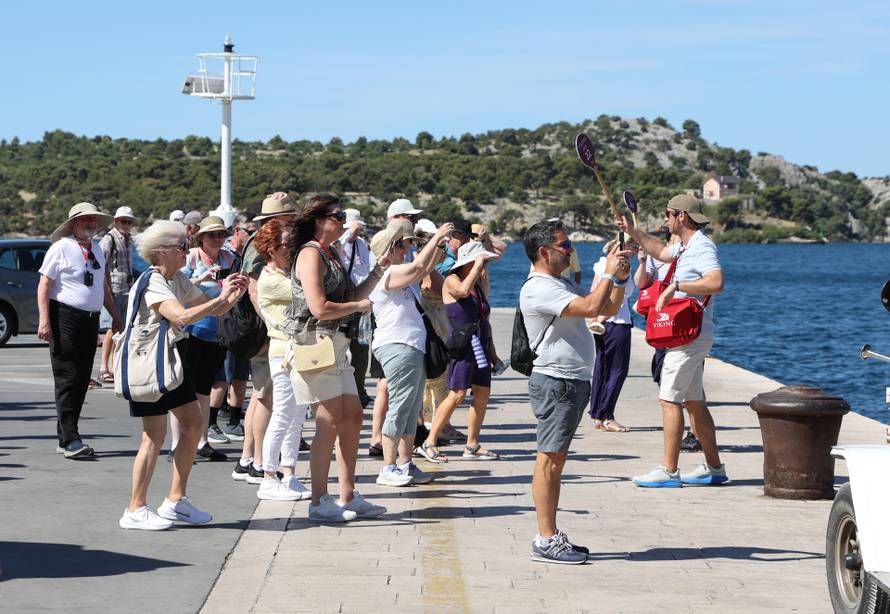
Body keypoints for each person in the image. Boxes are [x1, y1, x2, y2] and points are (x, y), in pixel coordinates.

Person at [119, 220, 247, 530]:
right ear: (161, 252)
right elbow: (182, 316)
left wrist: (231, 295)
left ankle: (176, 500)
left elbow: (210, 309)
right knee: (153, 436)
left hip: (167, 362)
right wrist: (219, 300)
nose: (186, 251)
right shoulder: (153, 281)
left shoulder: (175, 278)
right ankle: (135, 508)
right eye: (181, 247)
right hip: (150, 365)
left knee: (192, 425)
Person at [519, 220, 629, 564]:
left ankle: (549, 534)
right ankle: (546, 536)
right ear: (544, 251)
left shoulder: (558, 283)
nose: (570, 251)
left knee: (555, 459)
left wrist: (620, 278)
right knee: (549, 461)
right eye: (564, 246)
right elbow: (592, 307)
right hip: (557, 382)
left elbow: (608, 309)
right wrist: (608, 272)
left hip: (571, 381)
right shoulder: (539, 287)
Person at [284, 193, 386, 521]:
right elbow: (318, 307)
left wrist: (377, 273)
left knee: (353, 416)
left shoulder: (330, 252)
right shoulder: (310, 254)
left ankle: (348, 494)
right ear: (318, 220)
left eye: (343, 216)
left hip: (336, 342)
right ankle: (318, 500)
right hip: (314, 343)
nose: (342, 222)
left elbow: (351, 296)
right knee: (327, 421)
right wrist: (357, 307)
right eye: (336, 216)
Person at [619, 193, 728, 488]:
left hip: (690, 333)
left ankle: (669, 470)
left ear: (681, 216)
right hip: (689, 332)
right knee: (694, 402)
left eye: (668, 214)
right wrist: (634, 233)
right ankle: (714, 468)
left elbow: (716, 282)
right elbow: (661, 253)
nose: (665, 220)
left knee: (669, 399)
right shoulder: (683, 246)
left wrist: (678, 285)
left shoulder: (702, 247)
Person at [368, 220, 453, 487]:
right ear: (391, 249)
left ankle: (404, 463)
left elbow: (425, 267)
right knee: (401, 406)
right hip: (398, 345)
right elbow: (419, 267)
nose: (408, 248)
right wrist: (437, 236)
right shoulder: (388, 274)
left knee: (411, 406)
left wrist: (438, 244)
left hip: (411, 345)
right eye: (403, 244)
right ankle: (388, 466)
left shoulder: (401, 273)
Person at [37, 203, 123, 458]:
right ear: (74, 223)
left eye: (94, 220)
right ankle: (71, 438)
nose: (91, 224)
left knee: (82, 377)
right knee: (68, 377)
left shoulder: (96, 248)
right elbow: (44, 286)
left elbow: (103, 286)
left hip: (90, 319)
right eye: (85, 220)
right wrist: (44, 321)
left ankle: (66, 437)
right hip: (65, 316)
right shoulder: (61, 248)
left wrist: (116, 317)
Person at [231, 193, 297, 485]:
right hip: (266, 332)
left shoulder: (259, 243)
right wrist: (272, 323)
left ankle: (248, 458)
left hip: (264, 331)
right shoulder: (264, 246)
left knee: (261, 396)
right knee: (267, 397)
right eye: (288, 217)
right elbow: (255, 289)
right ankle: (258, 461)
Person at [419, 241, 499, 463]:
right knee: (457, 393)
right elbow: (462, 292)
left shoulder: (478, 285)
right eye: (479, 261)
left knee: (482, 393)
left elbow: (485, 320)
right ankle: (429, 441)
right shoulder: (452, 281)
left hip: (480, 345)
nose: (483, 267)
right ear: (468, 262)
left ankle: (472, 445)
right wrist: (478, 265)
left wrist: (493, 354)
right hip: (462, 346)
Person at [254, 218, 311, 501]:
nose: (290, 249)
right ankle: (268, 476)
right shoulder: (271, 280)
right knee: (282, 414)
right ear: (271, 248)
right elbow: (308, 294)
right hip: (282, 353)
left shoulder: (285, 274)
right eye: (285, 245)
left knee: (297, 415)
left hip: (298, 351)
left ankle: (289, 473)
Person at [174, 216, 239, 462]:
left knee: (203, 389)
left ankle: (201, 441)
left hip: (216, 329)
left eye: (221, 234)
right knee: (182, 389)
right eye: (212, 235)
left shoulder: (229, 259)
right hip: (190, 330)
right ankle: (177, 443)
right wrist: (200, 280)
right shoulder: (190, 257)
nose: (217, 239)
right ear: (201, 237)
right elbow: (176, 288)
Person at [635, 231, 702, 452]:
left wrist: (678, 286)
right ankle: (710, 461)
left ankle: (692, 436)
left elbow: (711, 283)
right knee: (662, 376)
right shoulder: (658, 256)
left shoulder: (693, 253)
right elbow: (640, 284)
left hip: (686, 328)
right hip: (664, 327)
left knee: (682, 391)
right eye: (673, 239)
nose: (677, 242)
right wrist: (643, 262)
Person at [588, 237, 637, 432]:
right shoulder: (621, 266)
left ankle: (598, 414)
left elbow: (593, 292)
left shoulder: (602, 264)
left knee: (603, 367)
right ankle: (607, 415)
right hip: (616, 322)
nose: (635, 250)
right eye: (634, 246)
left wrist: (594, 318)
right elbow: (614, 297)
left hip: (602, 323)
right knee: (617, 370)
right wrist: (602, 318)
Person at [337, 208, 373, 408]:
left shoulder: (362, 245)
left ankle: (358, 391)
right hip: (342, 302)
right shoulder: (339, 243)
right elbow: (336, 248)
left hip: (360, 302)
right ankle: (342, 392)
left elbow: (366, 269)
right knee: (340, 350)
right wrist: (348, 233)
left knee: (360, 351)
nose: (358, 233)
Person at [98, 206, 138, 383]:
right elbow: (101, 266)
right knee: (112, 328)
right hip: (113, 290)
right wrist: (106, 291)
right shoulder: (109, 239)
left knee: (120, 328)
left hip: (126, 288)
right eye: (123, 221)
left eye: (129, 222)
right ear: (116, 221)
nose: (126, 224)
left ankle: (114, 366)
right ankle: (103, 366)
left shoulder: (128, 239)